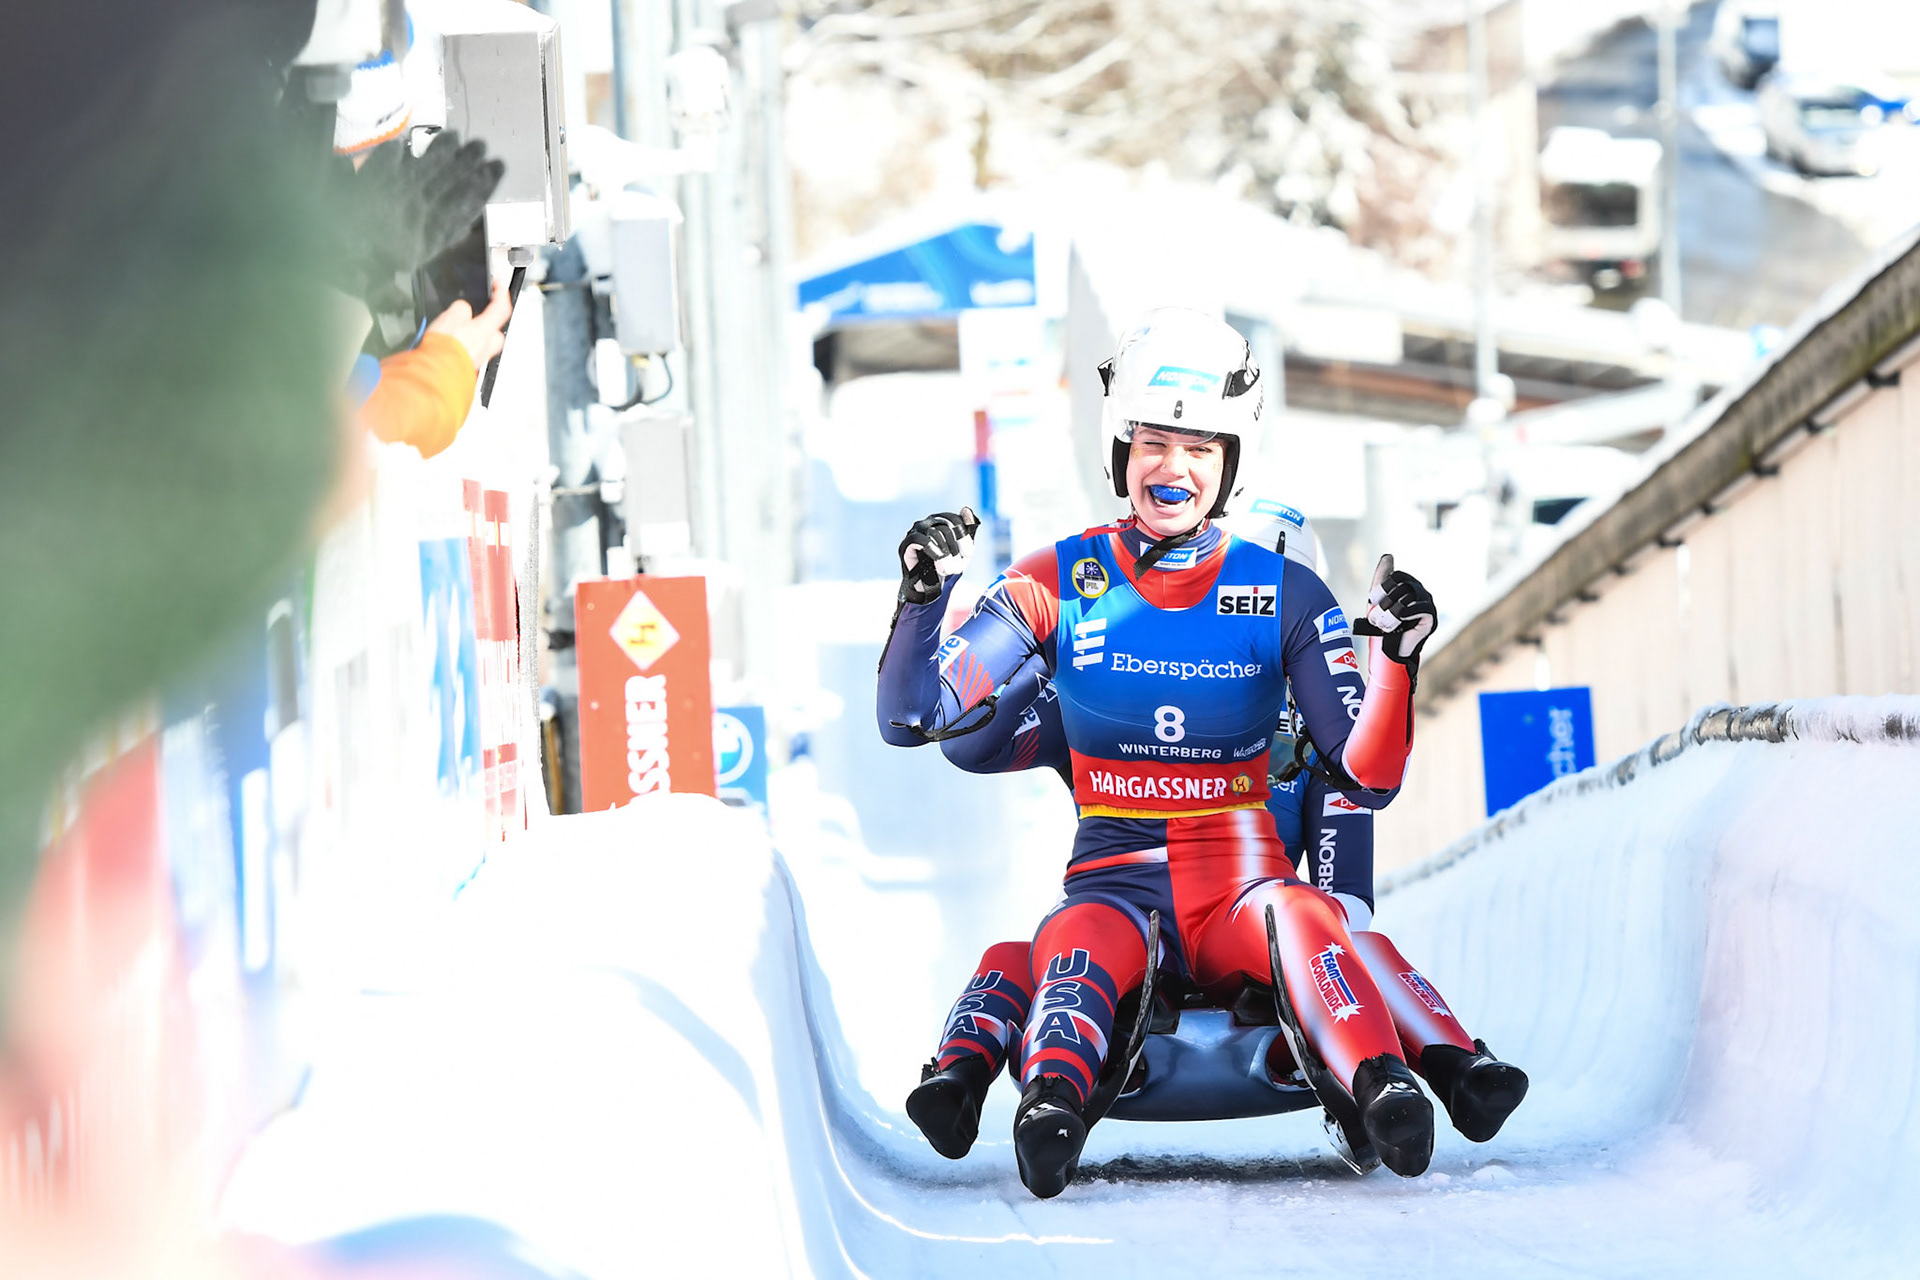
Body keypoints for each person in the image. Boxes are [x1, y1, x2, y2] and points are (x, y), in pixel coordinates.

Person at [878, 307, 1472, 1195]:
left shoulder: (1288, 592)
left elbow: (1365, 778)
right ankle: (1050, 1108)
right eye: (1154, 442)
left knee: (1305, 916)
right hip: (1115, 886)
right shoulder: (1051, 578)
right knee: (1075, 934)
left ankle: (1385, 1088)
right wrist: (925, 602)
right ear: (1121, 450)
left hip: (1242, 889)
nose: (1174, 468)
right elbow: (915, 717)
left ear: (1231, 462)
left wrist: (1392, 666)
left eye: (1199, 448)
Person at [909, 498, 1527, 1173]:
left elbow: (1346, 895)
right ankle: (961, 1081)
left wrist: (1303, 956)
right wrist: (1018, 656)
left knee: (1342, 936)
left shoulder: (1325, 735)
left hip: (1256, 946)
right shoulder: (1110, 688)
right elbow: (976, 740)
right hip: (1130, 929)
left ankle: (1451, 1069)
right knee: (1022, 952)